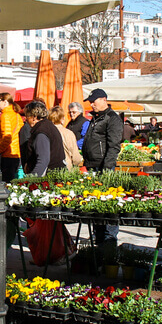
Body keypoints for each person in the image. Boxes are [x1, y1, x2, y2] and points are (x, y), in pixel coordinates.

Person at [81, 88, 123, 247]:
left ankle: (109, 243)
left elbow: (114, 147)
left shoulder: (112, 119)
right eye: (90, 101)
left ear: (104, 99)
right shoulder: (97, 118)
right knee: (96, 207)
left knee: (108, 205)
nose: (92, 104)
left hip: (103, 168)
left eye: (94, 101)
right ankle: (98, 241)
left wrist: (106, 170)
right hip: (92, 166)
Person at [21, 100, 66, 177]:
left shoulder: (41, 132)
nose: (25, 119)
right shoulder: (48, 126)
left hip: (49, 178)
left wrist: (31, 179)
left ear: (34, 117)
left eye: (27, 116)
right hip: (56, 174)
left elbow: (43, 160)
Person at [0, 92, 23, 182]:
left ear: (5, 102)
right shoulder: (17, 115)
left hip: (8, 154)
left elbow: (7, 138)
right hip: (17, 153)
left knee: (5, 182)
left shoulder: (5, 115)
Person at [50, 105, 83, 170]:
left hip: (49, 169)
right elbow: (76, 158)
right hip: (66, 168)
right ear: (62, 119)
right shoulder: (68, 133)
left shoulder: (45, 132)